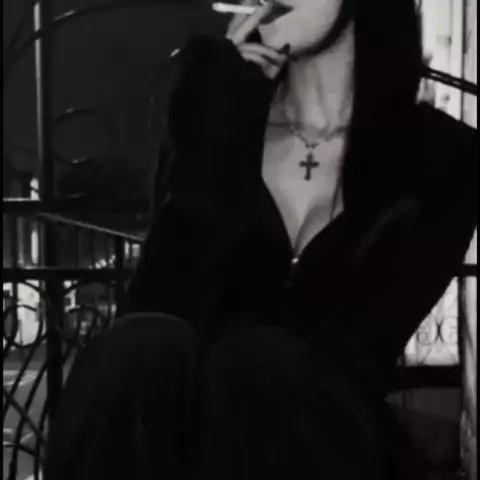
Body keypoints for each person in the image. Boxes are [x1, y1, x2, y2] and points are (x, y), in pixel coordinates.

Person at [44, 1, 477, 479]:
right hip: (202, 450)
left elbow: (361, 344)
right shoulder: (219, 120)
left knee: (255, 362)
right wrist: (217, 126)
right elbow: (159, 309)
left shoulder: (442, 158)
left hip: (329, 446)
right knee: (137, 347)